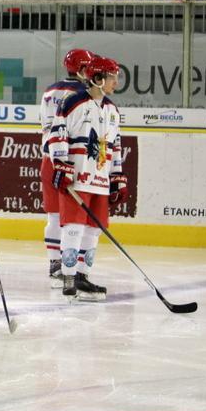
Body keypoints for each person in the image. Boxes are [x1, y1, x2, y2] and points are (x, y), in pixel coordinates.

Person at [48, 55, 123, 302]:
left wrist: (117, 175)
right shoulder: (73, 103)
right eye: (112, 77)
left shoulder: (112, 109)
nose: (116, 82)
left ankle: (82, 275)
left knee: (94, 229)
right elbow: (58, 134)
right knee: (74, 226)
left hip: (100, 178)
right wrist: (61, 164)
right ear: (98, 78)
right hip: (77, 178)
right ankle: (68, 277)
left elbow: (116, 144)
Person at [39, 48, 95, 288]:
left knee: (53, 214)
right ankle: (74, 268)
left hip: (49, 158)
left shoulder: (50, 90)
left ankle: (55, 264)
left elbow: (45, 125)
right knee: (74, 220)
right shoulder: (85, 93)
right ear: (83, 69)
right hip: (75, 161)